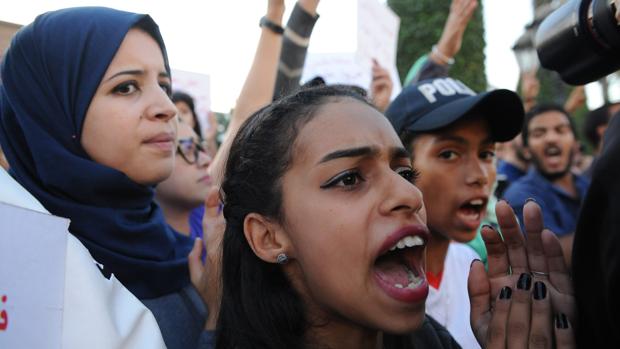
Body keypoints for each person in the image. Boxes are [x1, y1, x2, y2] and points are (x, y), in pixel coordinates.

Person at [212, 84, 575, 348]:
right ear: (268, 236)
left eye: (404, 173)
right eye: (349, 179)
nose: (409, 194)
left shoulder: (434, 340)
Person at [384, 76, 524, 348]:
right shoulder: (367, 291)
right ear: (398, 169)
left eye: (486, 153)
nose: (480, 176)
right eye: (449, 154)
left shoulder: (468, 265)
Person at [503, 104, 589, 267]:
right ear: (526, 150)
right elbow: (548, 255)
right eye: (539, 133)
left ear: (576, 145)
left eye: (561, 130)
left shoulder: (588, 185)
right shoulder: (520, 195)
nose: (551, 138)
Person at [155, 122, 212, 237]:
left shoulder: (214, 216)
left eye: (200, 147)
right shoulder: (138, 248)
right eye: (187, 149)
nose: (206, 160)